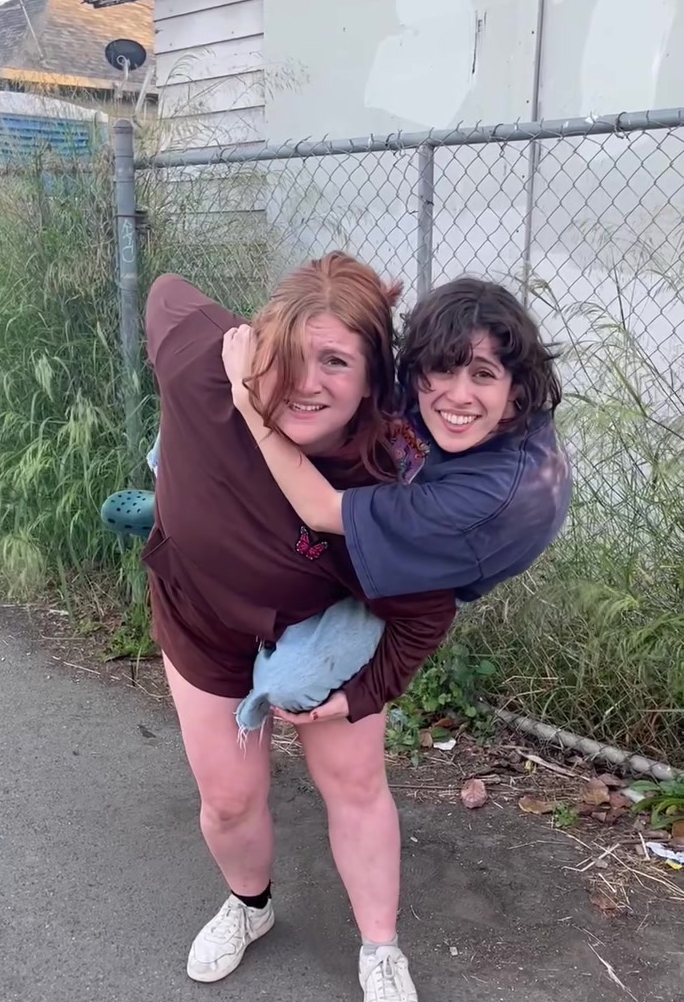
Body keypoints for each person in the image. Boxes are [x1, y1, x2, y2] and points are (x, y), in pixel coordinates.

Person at [143, 252, 459, 1002]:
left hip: (320, 628)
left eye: (336, 362)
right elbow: (167, 292)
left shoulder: (387, 481)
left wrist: (358, 696)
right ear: (258, 345)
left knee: (353, 782)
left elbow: (421, 620)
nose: (306, 383)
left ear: (374, 379)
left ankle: (381, 951)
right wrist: (240, 344)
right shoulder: (200, 364)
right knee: (228, 800)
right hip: (199, 613)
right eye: (289, 354)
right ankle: (249, 906)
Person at [220, 275, 571, 693]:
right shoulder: (433, 399)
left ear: (516, 388)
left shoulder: (497, 496)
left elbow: (323, 511)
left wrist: (248, 401)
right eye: (443, 368)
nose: (459, 395)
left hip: (435, 567)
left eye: (482, 374)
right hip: (399, 493)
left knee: (287, 684)